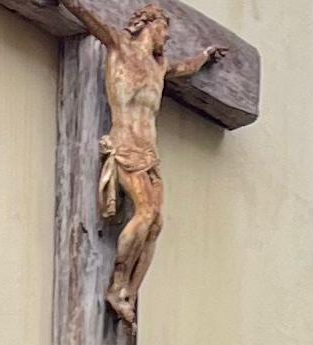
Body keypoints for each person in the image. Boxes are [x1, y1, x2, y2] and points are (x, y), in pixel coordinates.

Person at [71, 0, 224, 328]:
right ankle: (117, 284)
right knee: (145, 212)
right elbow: (87, 16)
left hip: (150, 154)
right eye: (163, 29)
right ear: (148, 24)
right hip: (126, 146)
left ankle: (129, 294)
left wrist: (207, 55)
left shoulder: (160, 67)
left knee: (156, 223)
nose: (166, 38)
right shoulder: (119, 46)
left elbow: (187, 68)